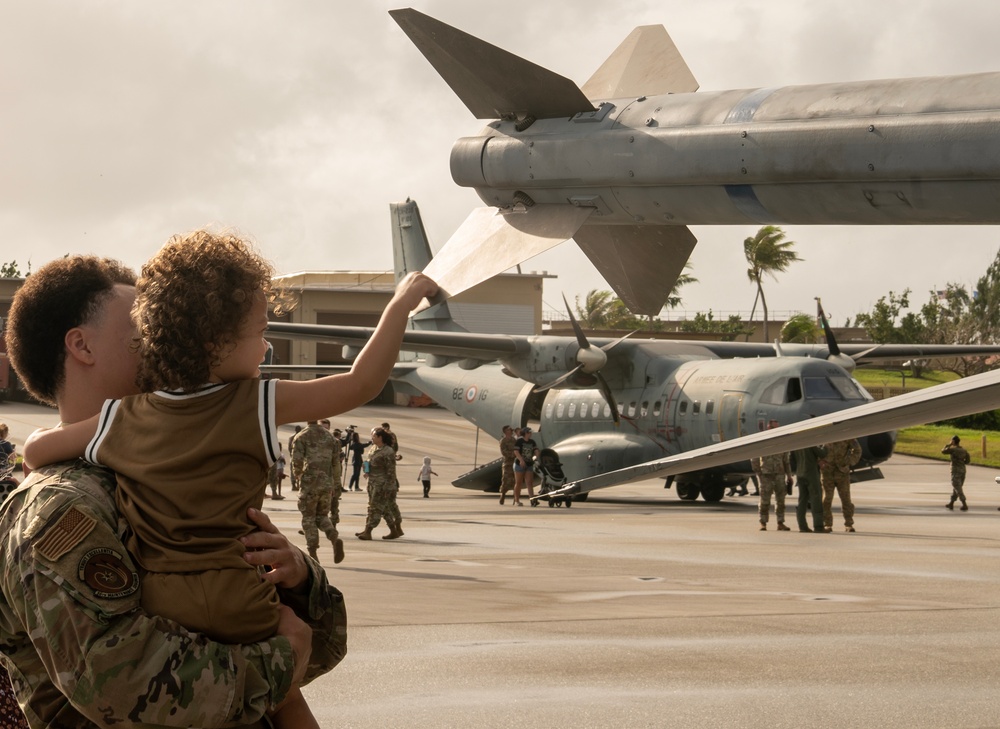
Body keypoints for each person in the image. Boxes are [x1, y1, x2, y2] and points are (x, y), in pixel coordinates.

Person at [22, 233, 436, 727]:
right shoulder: (58, 508)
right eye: (138, 335)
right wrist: (284, 658)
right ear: (81, 345)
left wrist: (297, 577)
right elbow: (125, 686)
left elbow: (320, 647)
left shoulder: (127, 432)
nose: (157, 344)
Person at [293, 420, 344, 565]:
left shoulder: (302, 436)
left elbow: (296, 460)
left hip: (310, 483)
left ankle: (313, 552)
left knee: (308, 517)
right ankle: (333, 536)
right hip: (326, 484)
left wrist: (298, 475)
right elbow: (336, 464)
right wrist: (335, 484)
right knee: (322, 516)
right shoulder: (330, 438)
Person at [357, 427, 403, 539]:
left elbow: (391, 470)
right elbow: (369, 461)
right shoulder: (373, 448)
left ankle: (368, 531)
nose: (371, 438)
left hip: (382, 484)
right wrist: (366, 469)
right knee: (383, 508)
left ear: (380, 437)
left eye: (374, 436)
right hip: (372, 482)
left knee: (375, 508)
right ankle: (393, 530)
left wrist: (388, 486)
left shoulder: (388, 451)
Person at [751, 421, 793, 531]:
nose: (776, 429)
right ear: (769, 428)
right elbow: (754, 459)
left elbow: (786, 460)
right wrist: (759, 473)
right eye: (774, 427)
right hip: (766, 475)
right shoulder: (762, 441)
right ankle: (763, 522)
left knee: (781, 500)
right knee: (765, 500)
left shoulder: (782, 442)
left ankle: (780, 522)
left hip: (779, 474)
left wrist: (789, 475)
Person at [820, 438, 862, 532]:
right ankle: (827, 524)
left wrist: (850, 461)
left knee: (846, 499)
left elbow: (857, 449)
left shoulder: (845, 435)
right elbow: (815, 448)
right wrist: (820, 461)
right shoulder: (824, 433)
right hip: (827, 472)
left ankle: (849, 524)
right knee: (826, 499)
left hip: (842, 472)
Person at [794, 444, 827, 533]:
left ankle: (802, 526)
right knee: (816, 499)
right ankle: (818, 526)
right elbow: (822, 453)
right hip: (811, 474)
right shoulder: (810, 442)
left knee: (802, 501)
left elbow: (792, 460)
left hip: (800, 473)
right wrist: (826, 446)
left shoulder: (796, 444)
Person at [943, 435, 971, 511]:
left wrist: (948, 445)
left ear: (954, 441)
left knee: (957, 487)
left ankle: (964, 504)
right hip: (963, 470)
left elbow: (943, 451)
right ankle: (951, 503)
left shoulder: (953, 449)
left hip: (955, 470)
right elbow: (967, 461)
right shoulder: (964, 450)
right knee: (956, 487)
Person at [513, 426, 538, 506]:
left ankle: (532, 499)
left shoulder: (532, 442)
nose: (530, 434)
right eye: (529, 432)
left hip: (529, 464)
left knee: (529, 482)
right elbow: (516, 451)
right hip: (520, 464)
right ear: (526, 433)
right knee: (519, 482)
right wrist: (521, 460)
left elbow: (536, 450)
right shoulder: (519, 441)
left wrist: (536, 456)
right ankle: (517, 500)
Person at [498, 424, 517, 505]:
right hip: (507, 463)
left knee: (515, 480)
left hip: (515, 462)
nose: (511, 431)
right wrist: (513, 454)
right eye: (509, 430)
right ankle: (503, 494)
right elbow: (503, 452)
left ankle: (515, 497)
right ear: (506, 432)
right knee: (505, 479)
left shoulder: (514, 440)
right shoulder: (503, 441)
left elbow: (517, 448)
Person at [288, 424, 303, 490]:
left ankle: (297, 484)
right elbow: (289, 447)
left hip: (295, 456)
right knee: (294, 471)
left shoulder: (294, 437)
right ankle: (294, 484)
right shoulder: (300, 436)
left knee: (295, 470)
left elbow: (289, 447)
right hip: (297, 456)